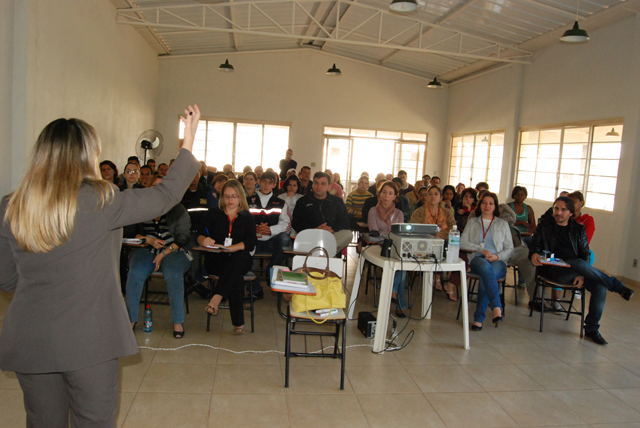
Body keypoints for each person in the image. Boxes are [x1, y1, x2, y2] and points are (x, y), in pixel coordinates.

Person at [0, 105, 201, 426]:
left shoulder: (11, 205)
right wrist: (186, 145)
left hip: (31, 338)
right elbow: (165, 195)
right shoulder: (102, 199)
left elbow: (7, 279)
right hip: (89, 339)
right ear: (88, 155)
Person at [529, 196, 634, 345]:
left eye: (563, 210)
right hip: (552, 270)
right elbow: (535, 245)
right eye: (556, 208)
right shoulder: (545, 225)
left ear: (571, 212)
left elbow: (585, 254)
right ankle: (616, 285)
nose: (559, 212)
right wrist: (534, 253)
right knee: (578, 263)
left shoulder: (578, 229)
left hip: (575, 271)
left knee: (599, 286)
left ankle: (591, 329)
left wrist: (581, 274)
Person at [125, 175, 192, 338]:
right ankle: (130, 320)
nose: (159, 190)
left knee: (173, 274)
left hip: (174, 250)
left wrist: (164, 253)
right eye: (155, 186)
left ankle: (178, 321)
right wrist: (148, 239)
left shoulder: (178, 209)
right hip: (146, 249)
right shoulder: (142, 208)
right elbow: (129, 232)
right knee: (135, 273)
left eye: (162, 186)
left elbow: (183, 237)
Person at [198, 180, 257, 335]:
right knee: (234, 275)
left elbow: (250, 243)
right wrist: (204, 240)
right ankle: (238, 323)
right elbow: (200, 234)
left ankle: (216, 297)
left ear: (240, 197)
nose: (230, 200)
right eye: (227, 196)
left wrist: (231, 248)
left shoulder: (247, 217)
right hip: (216, 258)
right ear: (221, 197)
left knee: (238, 261)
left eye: (234, 196)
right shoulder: (213, 214)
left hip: (239, 257)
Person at [461, 192, 513, 331]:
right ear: (480, 205)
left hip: (498, 261)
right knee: (485, 268)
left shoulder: (502, 224)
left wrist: (497, 257)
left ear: (495, 206)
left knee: (487, 274)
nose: (487, 206)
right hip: (479, 259)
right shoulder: (473, 222)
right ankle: (496, 306)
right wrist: (480, 250)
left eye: (491, 203)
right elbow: (463, 242)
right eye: (484, 202)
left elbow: (510, 248)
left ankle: (479, 319)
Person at [367, 181, 407, 317]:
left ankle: (393, 292)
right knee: (397, 265)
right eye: (384, 192)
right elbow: (374, 233)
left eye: (390, 193)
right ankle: (398, 303)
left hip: (394, 247)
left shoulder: (399, 213)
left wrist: (388, 235)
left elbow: (399, 234)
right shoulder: (373, 211)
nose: (386, 196)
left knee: (402, 266)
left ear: (395, 196)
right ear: (380, 194)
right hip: (378, 247)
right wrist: (389, 235)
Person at [247, 171, 290, 295]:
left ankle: (270, 268)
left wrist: (270, 230)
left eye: (270, 183)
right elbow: (241, 221)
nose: (266, 185)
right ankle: (255, 288)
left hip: (271, 241)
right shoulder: (247, 201)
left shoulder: (281, 203)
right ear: (259, 182)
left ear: (274, 184)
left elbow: (286, 224)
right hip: (253, 239)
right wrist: (255, 228)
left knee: (285, 239)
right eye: (264, 182)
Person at [410, 185, 457, 299]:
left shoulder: (447, 212)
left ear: (441, 197)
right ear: (426, 197)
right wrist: (432, 235)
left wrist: (443, 235)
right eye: (430, 194)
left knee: (448, 248)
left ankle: (439, 277)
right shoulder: (419, 212)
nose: (433, 196)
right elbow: (413, 229)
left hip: (443, 242)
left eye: (436, 194)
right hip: (424, 244)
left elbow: (453, 228)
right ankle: (435, 276)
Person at [292, 172, 352, 253]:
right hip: (310, 235)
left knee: (348, 234)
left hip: (331, 235)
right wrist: (314, 230)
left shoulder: (337, 202)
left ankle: (321, 252)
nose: (319, 186)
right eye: (316, 183)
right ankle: (325, 252)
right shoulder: (303, 201)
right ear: (312, 184)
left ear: (329, 186)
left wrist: (333, 229)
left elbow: (345, 222)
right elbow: (296, 222)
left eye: (323, 184)